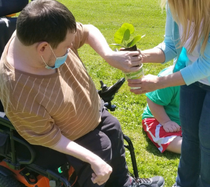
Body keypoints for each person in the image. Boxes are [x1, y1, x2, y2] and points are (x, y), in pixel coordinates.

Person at [0, 0, 165, 187]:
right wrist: (92, 159)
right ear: (43, 48)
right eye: (66, 47)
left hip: (93, 111)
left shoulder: (37, 33)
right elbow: (47, 136)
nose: (70, 49)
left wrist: (109, 55)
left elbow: (87, 31)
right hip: (71, 136)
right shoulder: (18, 90)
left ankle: (124, 183)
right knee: (101, 152)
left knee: (113, 127)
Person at [127, 0, 210, 186]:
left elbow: (206, 64)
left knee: (207, 139)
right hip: (191, 80)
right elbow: (171, 46)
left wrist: (159, 82)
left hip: (201, 74)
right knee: (190, 138)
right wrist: (139, 56)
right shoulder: (176, 4)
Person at [142, 65, 182, 154]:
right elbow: (153, 101)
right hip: (159, 118)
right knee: (172, 141)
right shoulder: (170, 78)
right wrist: (166, 121)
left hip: (191, 120)